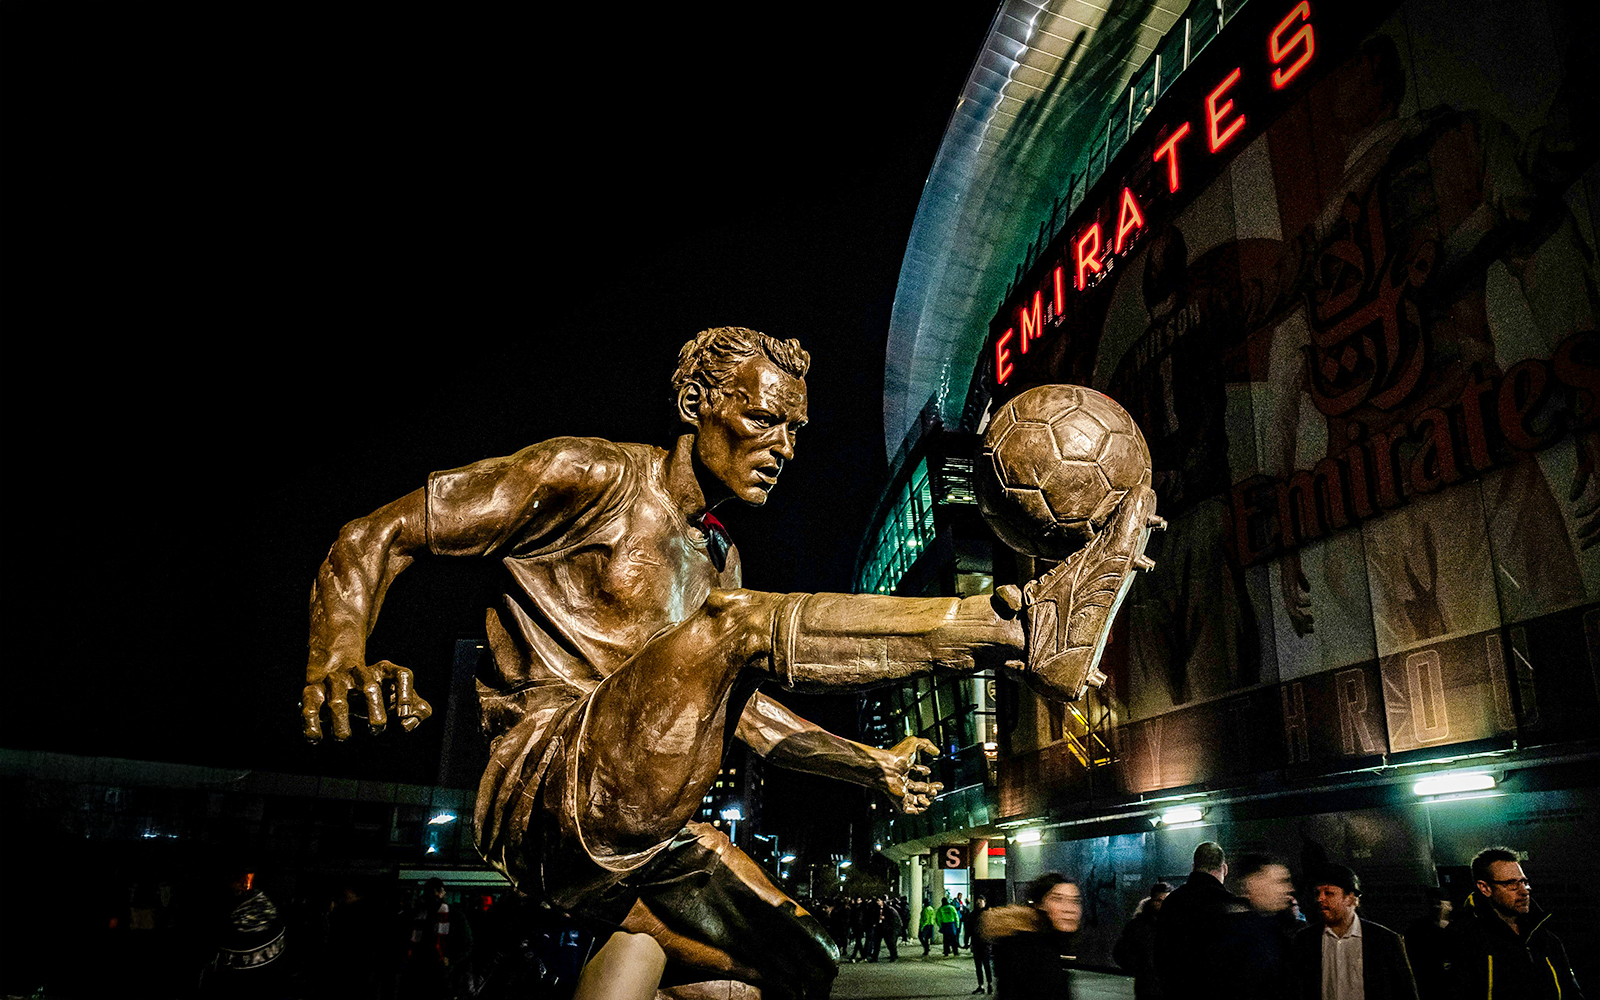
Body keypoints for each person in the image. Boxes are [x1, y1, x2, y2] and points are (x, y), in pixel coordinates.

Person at [299, 326, 1162, 1000]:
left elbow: (742, 714)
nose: (784, 445)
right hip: (546, 781)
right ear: (694, 404)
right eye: (762, 417)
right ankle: (1014, 629)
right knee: (736, 627)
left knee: (794, 958)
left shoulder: (719, 567)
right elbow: (373, 537)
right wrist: (338, 656)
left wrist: (870, 764)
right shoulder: (588, 476)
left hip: (646, 824)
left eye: (795, 428)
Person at [1443, 846, 1584, 1000]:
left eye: (1524, 882)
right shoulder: (1463, 939)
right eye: (1511, 884)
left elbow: (1571, 991)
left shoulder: (1546, 939)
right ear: (1485, 888)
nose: (1524, 891)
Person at [1291, 864, 1418, 1000]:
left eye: (1329, 893)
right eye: (1318, 893)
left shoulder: (1385, 940)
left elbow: (1405, 991)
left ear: (1351, 898)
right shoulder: (1305, 940)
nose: (1320, 899)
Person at [1154, 841, 1241, 999]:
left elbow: (1160, 954)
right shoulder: (1232, 905)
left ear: (1193, 867)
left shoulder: (1172, 902)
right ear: (1225, 868)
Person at [985, 874, 1081, 998]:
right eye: (1057, 899)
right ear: (1039, 905)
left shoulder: (1048, 946)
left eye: (1075, 901)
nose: (1069, 909)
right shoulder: (1028, 952)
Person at [1223, 854, 1296, 998]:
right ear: (1252, 884)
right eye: (1280, 882)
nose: (1288, 889)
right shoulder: (1237, 937)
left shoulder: (1275, 929)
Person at [1113, 882, 1171, 999]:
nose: (1163, 905)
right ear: (1151, 901)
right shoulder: (1138, 925)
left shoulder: (1177, 925)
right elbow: (1120, 952)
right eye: (1158, 901)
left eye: (1166, 901)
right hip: (1148, 989)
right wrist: (1142, 969)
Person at [1402, 888, 1451, 1000]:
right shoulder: (1418, 929)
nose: (1436, 907)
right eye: (1433, 903)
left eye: (1439, 903)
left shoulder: (1457, 929)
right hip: (1427, 984)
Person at [968, 895, 993, 994]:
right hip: (976, 943)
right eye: (977, 901)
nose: (979, 902)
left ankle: (989, 984)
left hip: (985, 944)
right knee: (978, 966)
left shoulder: (988, 914)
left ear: (985, 902)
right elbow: (969, 929)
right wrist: (968, 942)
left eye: (981, 901)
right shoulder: (972, 915)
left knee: (986, 965)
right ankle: (981, 985)